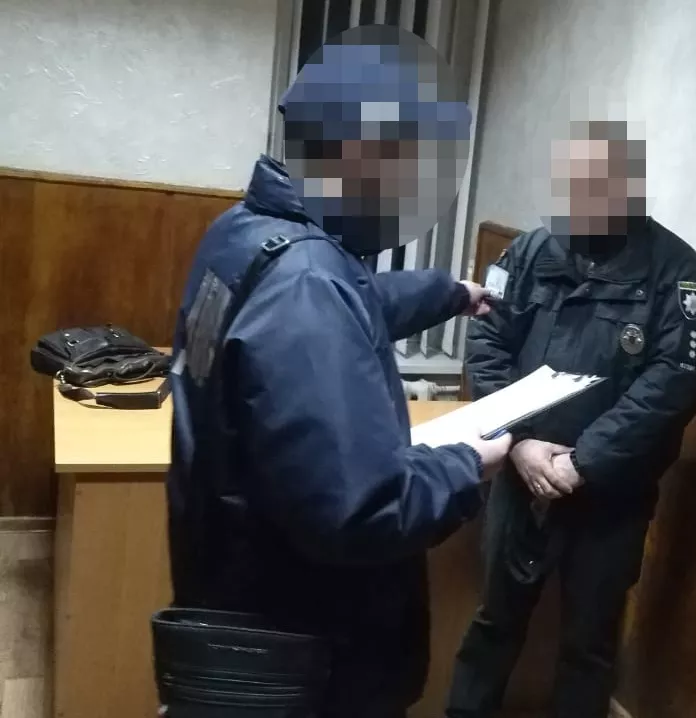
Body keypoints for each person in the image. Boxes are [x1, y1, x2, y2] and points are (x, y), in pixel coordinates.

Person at [165, 25, 511, 718]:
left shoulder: (245, 233)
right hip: (305, 652)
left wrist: (449, 292)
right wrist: (465, 463)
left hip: (232, 592)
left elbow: (344, 304)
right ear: (360, 153)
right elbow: (360, 512)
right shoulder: (307, 282)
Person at [445, 119, 696, 718]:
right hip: (520, 478)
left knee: (588, 645)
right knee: (494, 621)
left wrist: (584, 462)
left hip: (610, 492)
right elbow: (488, 345)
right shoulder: (530, 252)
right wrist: (518, 443)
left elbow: (672, 385)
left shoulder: (675, 272)